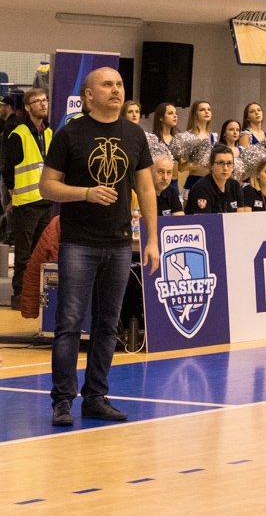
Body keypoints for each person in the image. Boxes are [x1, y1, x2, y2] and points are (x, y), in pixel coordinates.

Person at [38, 67, 157, 427]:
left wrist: (152, 240)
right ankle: (62, 402)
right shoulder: (70, 134)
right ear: (88, 95)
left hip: (120, 243)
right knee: (69, 324)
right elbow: (47, 187)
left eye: (119, 84)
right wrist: (85, 193)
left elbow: (146, 189)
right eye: (107, 85)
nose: (116, 90)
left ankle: (96, 397)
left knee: (108, 326)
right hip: (78, 243)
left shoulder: (135, 134)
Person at [4, 87, 53, 311]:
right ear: (27, 107)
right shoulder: (18, 133)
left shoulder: (50, 133)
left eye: (45, 100)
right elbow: (7, 171)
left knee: (42, 253)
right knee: (23, 255)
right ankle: (20, 296)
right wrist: (14, 198)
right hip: (25, 204)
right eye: (37, 101)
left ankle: (39, 297)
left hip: (46, 202)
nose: (43, 104)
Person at [186, 146, 242, 214]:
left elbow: (241, 218)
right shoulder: (201, 188)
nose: (225, 168)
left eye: (229, 163)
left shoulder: (235, 185)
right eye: (220, 163)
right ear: (211, 165)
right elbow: (202, 221)